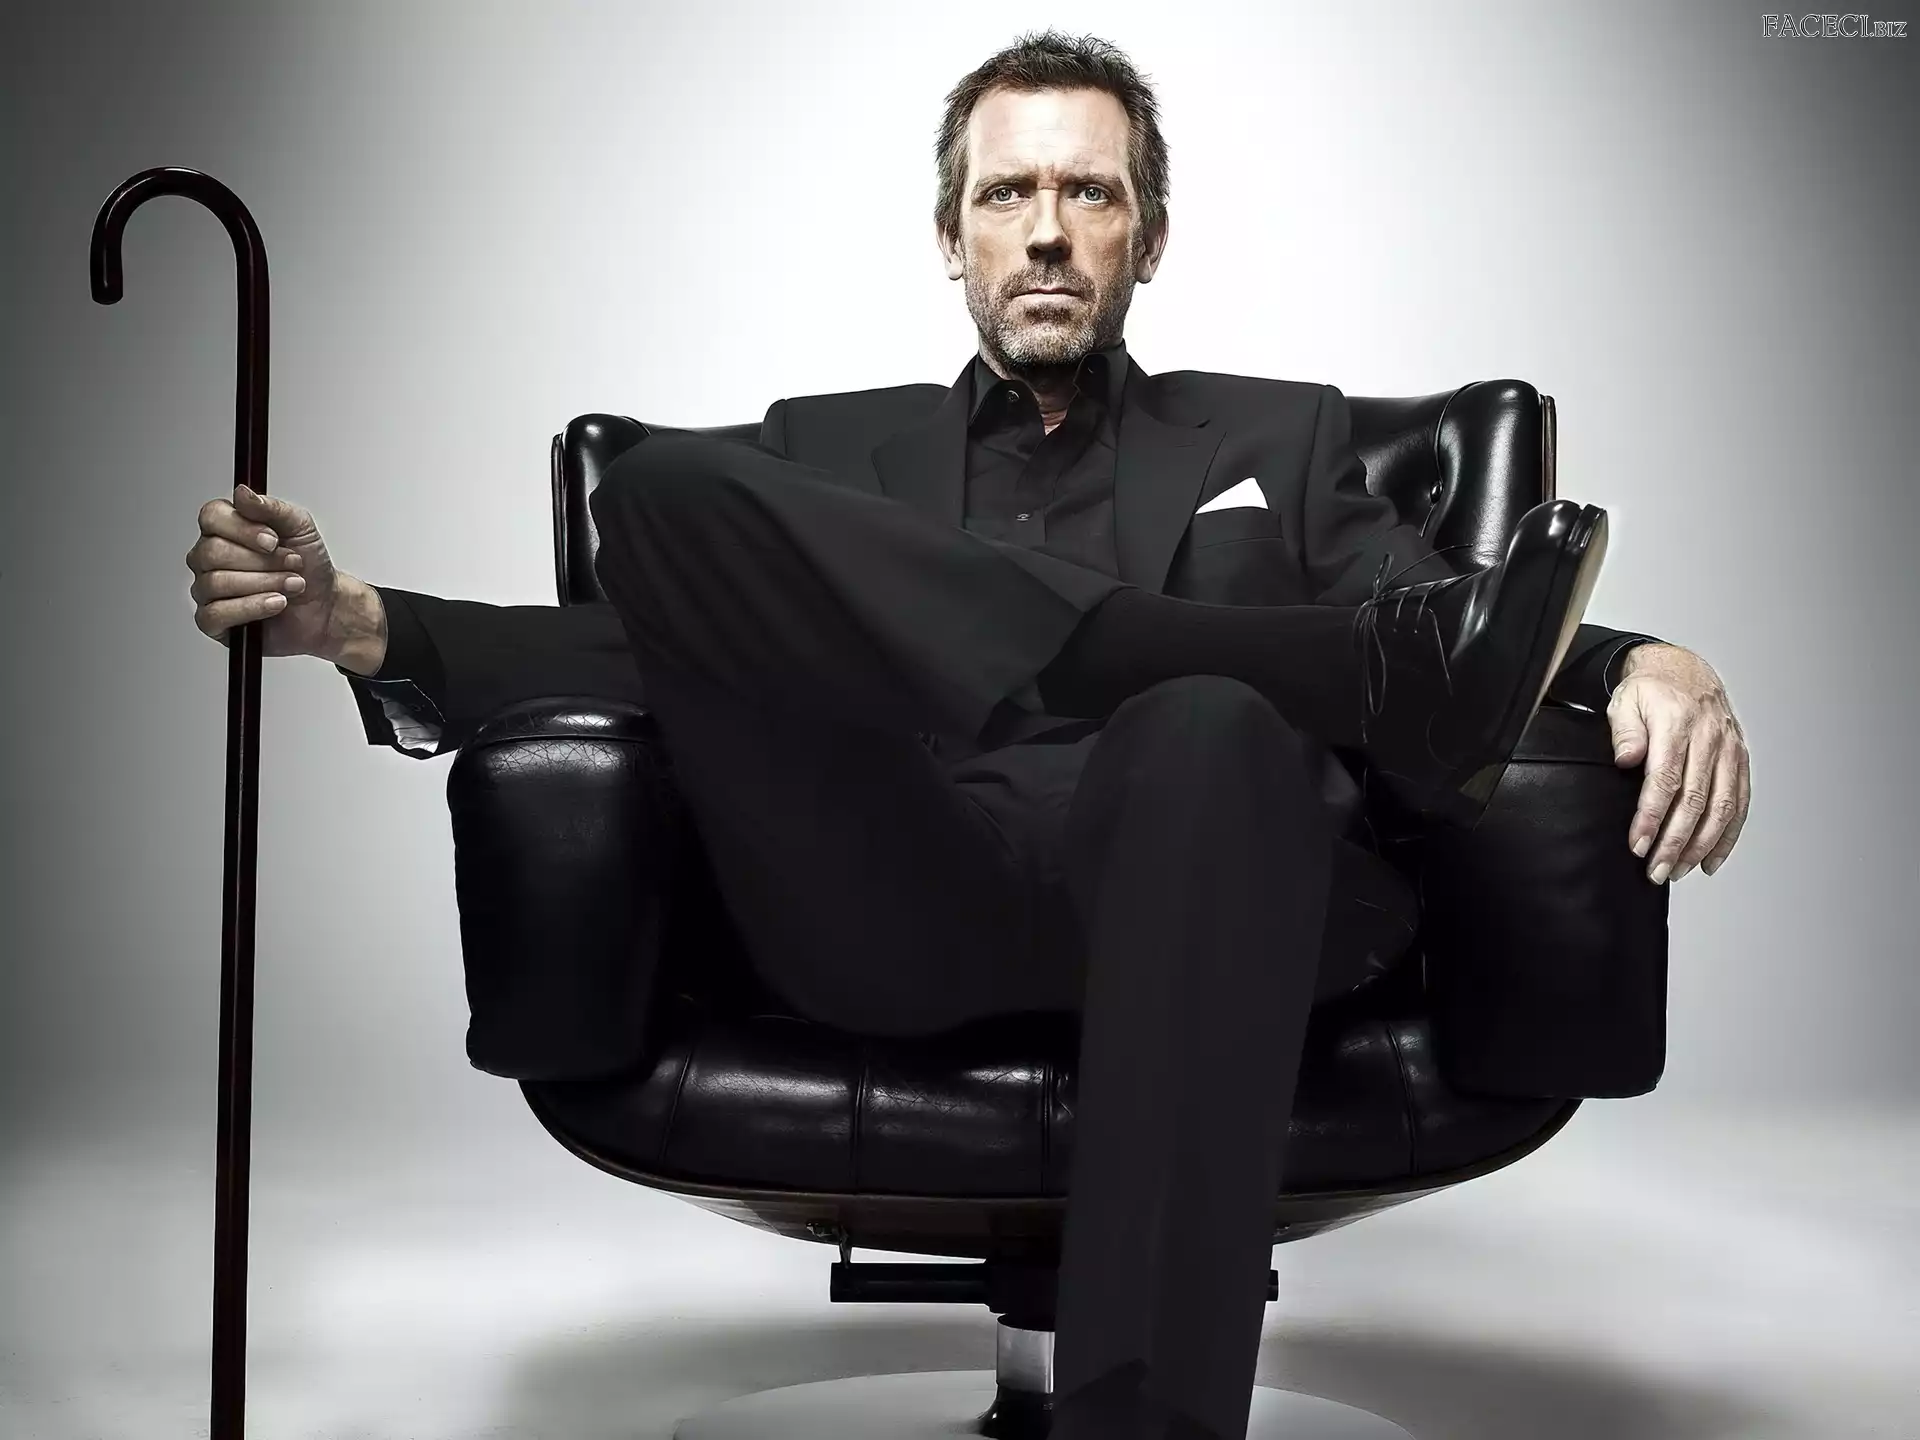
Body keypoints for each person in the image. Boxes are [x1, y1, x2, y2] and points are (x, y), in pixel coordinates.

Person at [183, 30, 1752, 1440]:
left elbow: (1449, 628)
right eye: (1007, 195)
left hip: (1214, 884)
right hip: (906, 887)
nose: (1048, 231)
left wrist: (1644, 658)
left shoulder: (1279, 437)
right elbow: (639, 656)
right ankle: (1210, 661)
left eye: (1090, 193)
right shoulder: (825, 455)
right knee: (658, 492)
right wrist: (358, 623)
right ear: (953, 235)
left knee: (1208, 720)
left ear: (1146, 234)